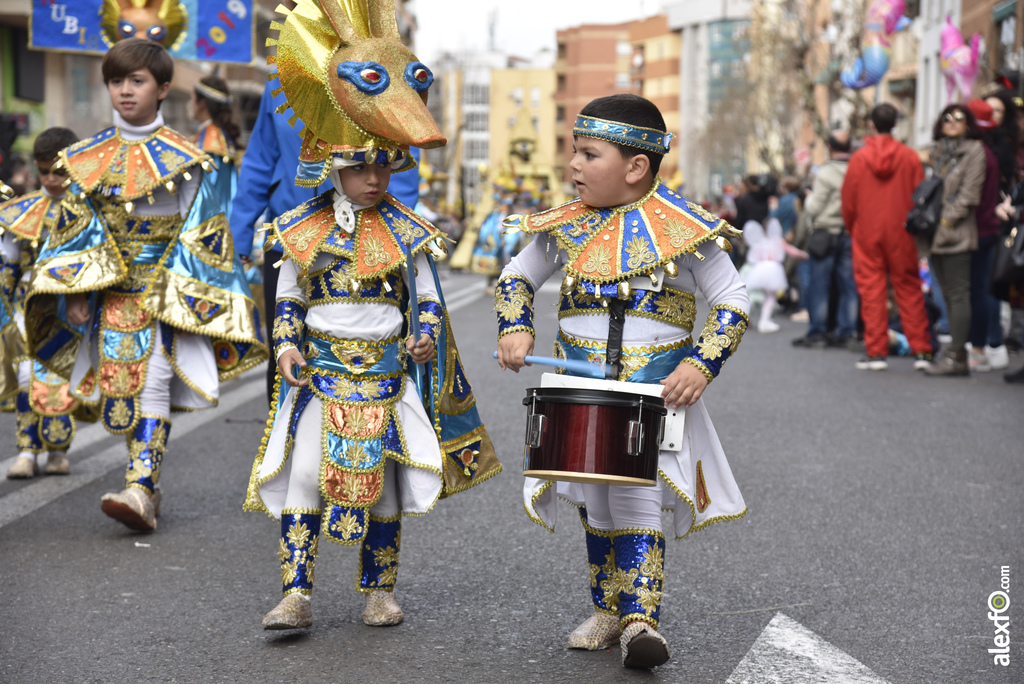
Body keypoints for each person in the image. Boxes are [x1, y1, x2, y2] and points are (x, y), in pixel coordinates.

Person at [244, 0, 500, 632]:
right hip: (321, 375)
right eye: (361, 166)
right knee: (305, 473)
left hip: (386, 378)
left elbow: (430, 296)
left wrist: (426, 337)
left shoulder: (410, 233)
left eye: (384, 164)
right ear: (334, 168)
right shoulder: (298, 231)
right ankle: (296, 592)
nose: (374, 177)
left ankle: (379, 590)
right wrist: (285, 348)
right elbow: (287, 300)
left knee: (383, 487)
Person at [496, 94, 749, 669]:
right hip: (578, 390)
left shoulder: (687, 231)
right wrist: (516, 328)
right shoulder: (562, 229)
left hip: (651, 397)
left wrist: (700, 364)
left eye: (589, 154)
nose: (574, 166)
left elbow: (732, 300)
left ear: (636, 167)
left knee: (636, 496)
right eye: (574, 153)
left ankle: (641, 622)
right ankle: (608, 608)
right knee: (596, 500)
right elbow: (515, 279)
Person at [24, 38, 267, 531]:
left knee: (153, 381)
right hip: (108, 297)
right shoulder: (84, 159)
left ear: (163, 89)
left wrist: (183, 295)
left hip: (165, 294)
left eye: (136, 81)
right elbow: (72, 231)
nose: (125, 91)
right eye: (117, 81)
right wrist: (75, 292)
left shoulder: (188, 160)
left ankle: (139, 484)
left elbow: (204, 229)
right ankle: (147, 488)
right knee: (122, 390)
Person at [0, 127, 81, 478]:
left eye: (59, 172)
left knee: (59, 375)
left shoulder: (88, 212)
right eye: (44, 171)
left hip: (68, 308)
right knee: (24, 373)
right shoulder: (22, 212)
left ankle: (58, 450)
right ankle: (26, 450)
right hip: (25, 306)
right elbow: (8, 261)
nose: (51, 179)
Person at [841, 104, 933, 371]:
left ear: (871, 124)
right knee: (909, 287)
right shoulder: (910, 156)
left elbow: (848, 201)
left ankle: (877, 352)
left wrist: (854, 228)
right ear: (894, 124)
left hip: (868, 230)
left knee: (872, 291)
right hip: (901, 230)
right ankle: (922, 351)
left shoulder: (859, 158)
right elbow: (919, 195)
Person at [920, 105, 987, 376]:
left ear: (968, 123)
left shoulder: (974, 151)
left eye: (958, 118)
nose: (952, 122)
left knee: (959, 294)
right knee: (945, 293)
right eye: (947, 117)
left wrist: (946, 222)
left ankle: (958, 355)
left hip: (956, 233)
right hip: (933, 233)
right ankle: (952, 354)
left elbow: (970, 195)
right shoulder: (937, 153)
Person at [792, 131, 859, 349]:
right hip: (849, 233)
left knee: (820, 285)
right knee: (848, 285)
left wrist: (809, 197)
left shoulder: (826, 173)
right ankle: (847, 331)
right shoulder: (856, 170)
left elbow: (814, 207)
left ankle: (818, 331)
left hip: (824, 232)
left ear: (829, 147)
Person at [966, 99, 1010, 372]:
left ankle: (984, 346)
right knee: (984, 290)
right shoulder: (994, 149)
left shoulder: (979, 153)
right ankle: (989, 344)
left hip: (979, 229)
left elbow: (970, 196)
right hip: (987, 226)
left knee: (979, 291)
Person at [189, 75, 242, 220]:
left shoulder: (209, 142)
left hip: (207, 225)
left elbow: (205, 194)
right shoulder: (216, 136)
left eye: (192, 99)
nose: (190, 104)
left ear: (202, 104)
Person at [742, 217, 792, 333]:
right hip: (773, 270)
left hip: (759, 269)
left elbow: (752, 259)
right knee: (771, 297)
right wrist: (804, 255)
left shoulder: (759, 241)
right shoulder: (777, 241)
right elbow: (790, 250)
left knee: (758, 296)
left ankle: (749, 318)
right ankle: (764, 320)